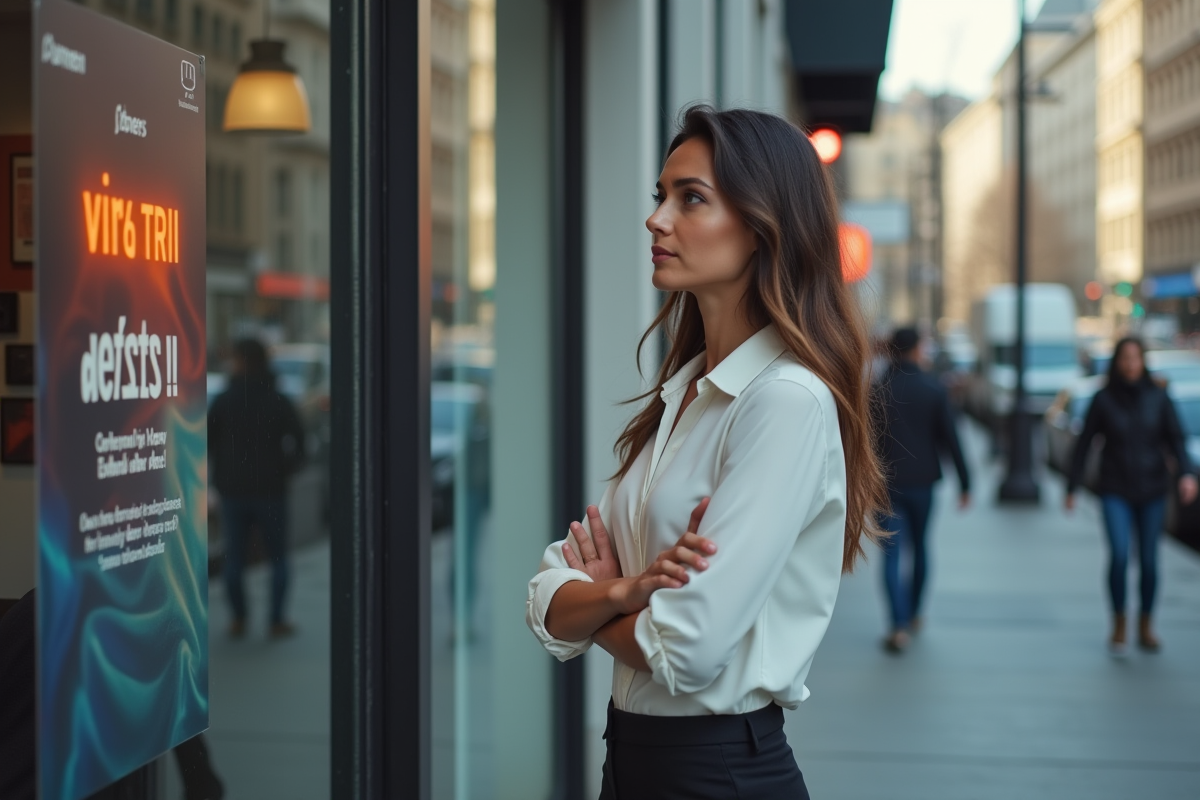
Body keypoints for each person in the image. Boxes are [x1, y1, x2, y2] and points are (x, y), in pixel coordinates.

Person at [525, 106, 887, 799]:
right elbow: (544, 594)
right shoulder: (685, 394)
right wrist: (627, 594)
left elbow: (687, 649)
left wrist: (597, 601)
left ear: (762, 226)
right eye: (661, 196)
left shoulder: (783, 403)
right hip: (631, 762)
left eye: (691, 198)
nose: (657, 220)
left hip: (716, 771)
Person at [1066, 336, 1198, 655]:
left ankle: (1146, 624)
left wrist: (1186, 474)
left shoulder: (1158, 396)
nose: (1130, 364)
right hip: (1115, 489)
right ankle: (1119, 622)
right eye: (1125, 358)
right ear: (1117, 362)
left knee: (1150, 562)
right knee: (1121, 555)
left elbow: (1176, 439)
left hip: (1152, 489)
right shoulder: (1104, 399)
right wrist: (1072, 486)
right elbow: (1084, 445)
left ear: (1143, 361)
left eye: (1135, 358)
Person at [874, 327, 971, 654]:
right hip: (923, 483)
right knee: (920, 549)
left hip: (885, 485)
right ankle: (914, 613)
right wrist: (965, 482)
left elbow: (865, 444)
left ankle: (897, 624)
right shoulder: (933, 388)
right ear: (916, 350)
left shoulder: (877, 389)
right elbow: (950, 438)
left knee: (890, 553)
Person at [209, 339, 306, 639]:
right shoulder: (278, 399)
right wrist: (285, 470)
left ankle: (239, 619)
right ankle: (276, 620)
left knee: (234, 558)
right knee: (278, 557)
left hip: (233, 491)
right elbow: (300, 444)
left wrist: (221, 473)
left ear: (241, 361)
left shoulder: (225, 400)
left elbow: (209, 443)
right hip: (271, 490)